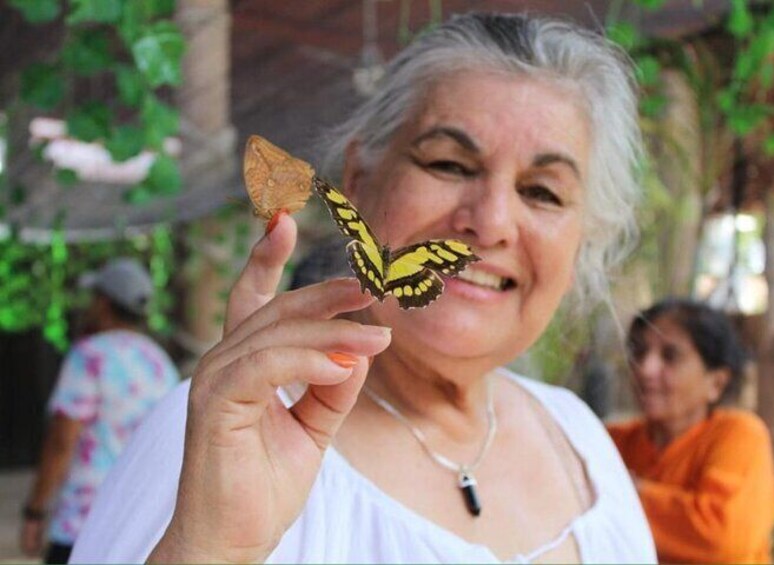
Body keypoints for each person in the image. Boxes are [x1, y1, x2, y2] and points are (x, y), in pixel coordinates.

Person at [71, 13, 656, 563]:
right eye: (449, 165)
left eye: (543, 192)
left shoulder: (582, 443)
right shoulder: (229, 431)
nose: (492, 222)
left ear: (582, 241)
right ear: (360, 180)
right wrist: (208, 548)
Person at [19, 257, 180, 564]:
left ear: (104, 303)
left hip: (84, 526)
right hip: (140, 528)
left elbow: (61, 443)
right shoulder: (160, 364)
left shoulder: (89, 356)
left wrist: (35, 510)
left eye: (93, 299)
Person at [608, 298, 774, 563]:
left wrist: (616, 492)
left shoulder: (739, 435)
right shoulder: (610, 441)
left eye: (670, 356)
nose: (645, 369)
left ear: (716, 383)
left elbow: (721, 535)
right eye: (639, 352)